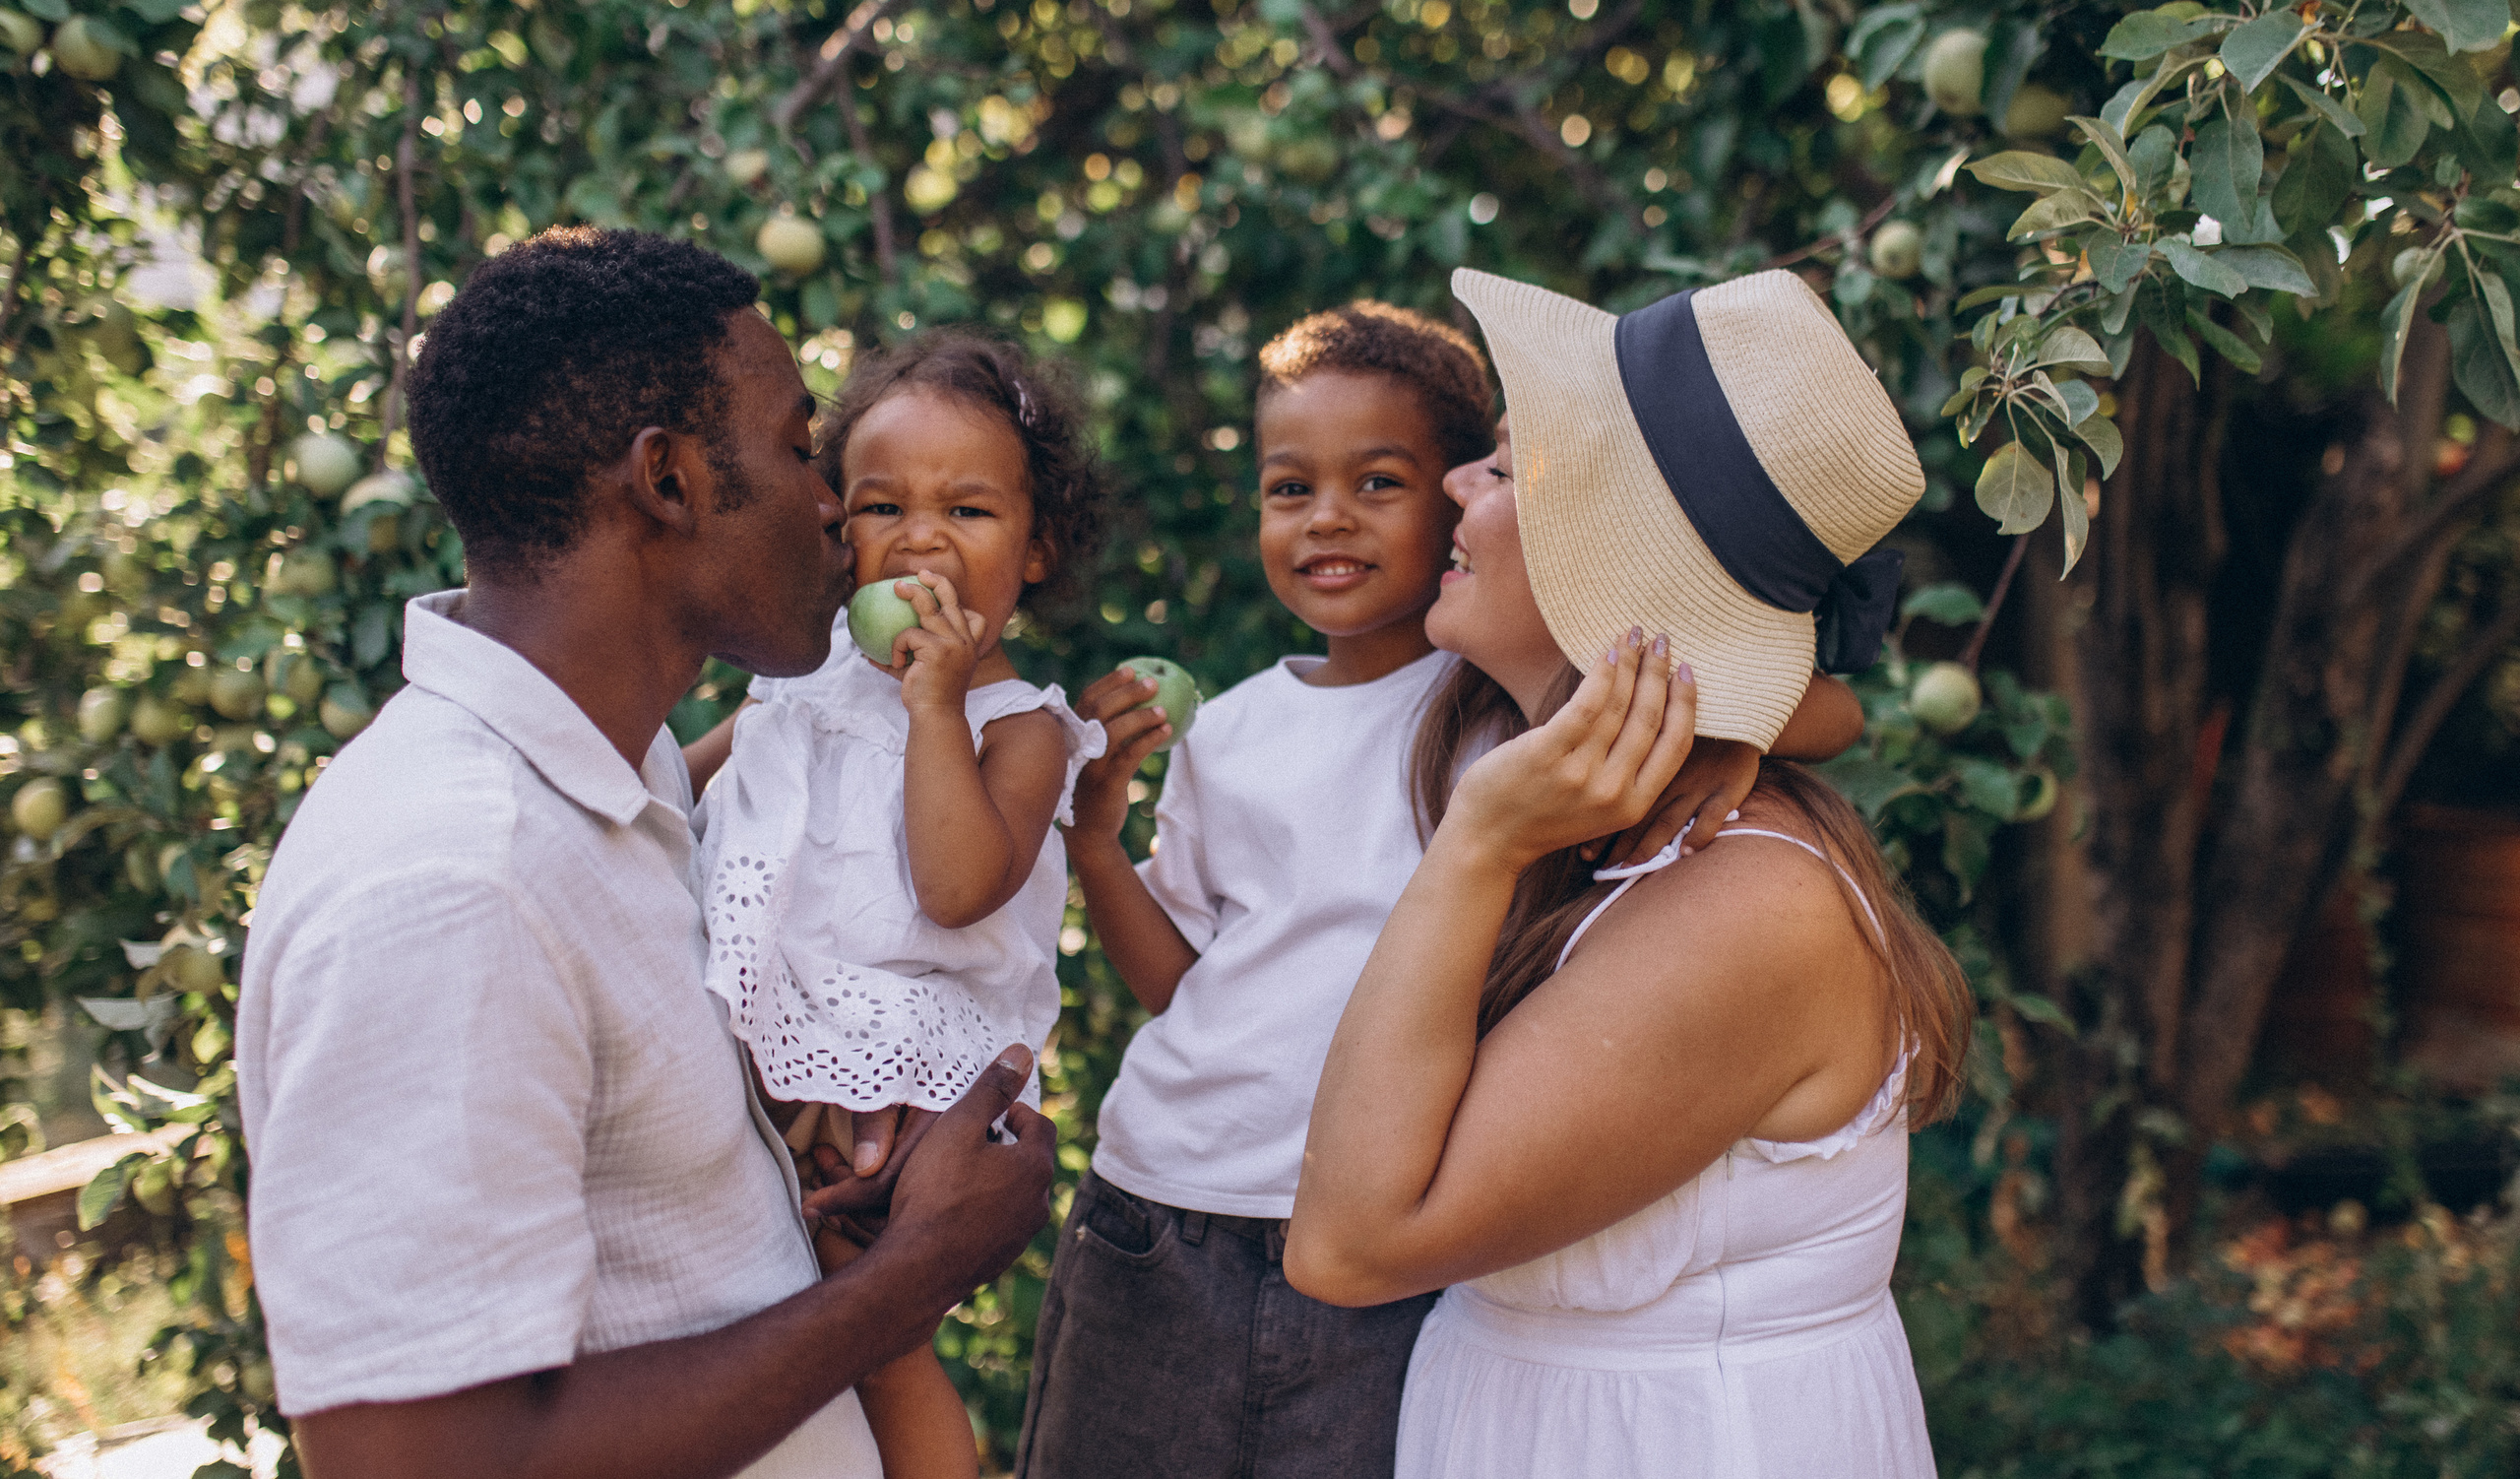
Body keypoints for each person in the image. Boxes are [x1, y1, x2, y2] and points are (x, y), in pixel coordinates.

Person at [236, 228, 1053, 1479]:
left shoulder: (636, 782)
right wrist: (916, 1275)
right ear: (667, 481)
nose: (839, 510)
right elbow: (421, 1461)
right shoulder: (452, 881)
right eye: (800, 452)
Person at [1018, 301, 1865, 1478]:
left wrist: (1723, 730)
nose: (1327, 517)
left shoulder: (1497, 708)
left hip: (1374, 1234)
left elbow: (1821, 703)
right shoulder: (1234, 730)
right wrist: (1099, 850)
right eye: (1286, 488)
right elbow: (1189, 983)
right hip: (1163, 1204)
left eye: (1381, 482)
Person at [1286, 268, 1975, 1479]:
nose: (1453, 481)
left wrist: (1478, 848)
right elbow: (1830, 712)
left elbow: (1348, 1248)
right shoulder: (1577, 782)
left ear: (1601, 558)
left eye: (1501, 468)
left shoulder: (1744, 907)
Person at [682, 332, 1106, 1478]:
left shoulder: (1017, 727)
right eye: (881, 508)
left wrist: (936, 708)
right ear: (836, 529)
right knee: (757, 1318)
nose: (919, 539)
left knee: (875, 1335)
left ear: (1034, 551)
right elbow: (675, 790)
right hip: (764, 1035)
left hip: (900, 1060)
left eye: (967, 512)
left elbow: (959, 885)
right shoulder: (797, 673)